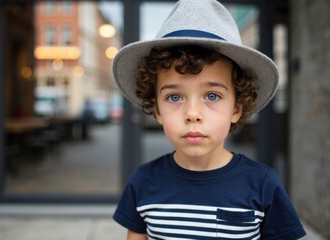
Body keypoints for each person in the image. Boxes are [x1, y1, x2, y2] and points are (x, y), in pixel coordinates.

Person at [112, 0, 306, 239]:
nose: (193, 113)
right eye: (174, 97)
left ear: (236, 108)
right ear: (157, 110)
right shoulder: (143, 181)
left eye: (212, 95)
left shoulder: (263, 184)